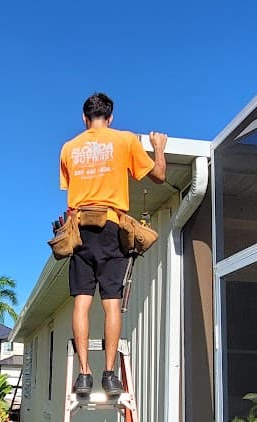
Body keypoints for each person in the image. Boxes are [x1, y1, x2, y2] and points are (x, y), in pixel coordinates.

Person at [59, 92, 167, 395]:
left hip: (80, 228)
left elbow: (69, 187)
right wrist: (158, 148)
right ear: (110, 117)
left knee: (81, 302)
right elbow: (159, 176)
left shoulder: (68, 148)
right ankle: (109, 375)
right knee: (111, 304)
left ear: (84, 118)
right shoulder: (125, 140)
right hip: (110, 226)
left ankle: (84, 375)